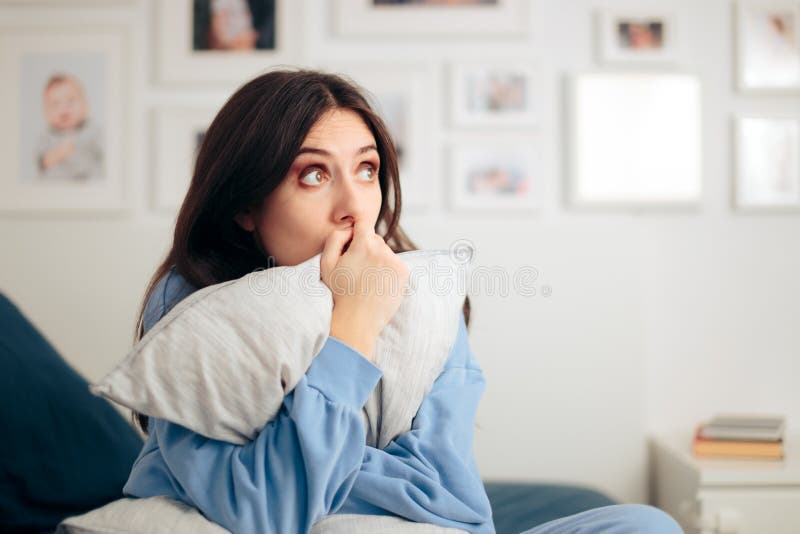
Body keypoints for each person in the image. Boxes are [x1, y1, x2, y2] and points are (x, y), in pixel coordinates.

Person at [123, 69, 683, 534]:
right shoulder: (193, 310)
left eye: (366, 170)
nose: (353, 207)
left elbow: (452, 505)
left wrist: (313, 461)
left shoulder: (423, 298)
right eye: (314, 174)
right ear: (246, 205)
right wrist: (354, 327)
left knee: (645, 525)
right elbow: (271, 511)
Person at [35, 73, 103, 182]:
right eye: (55, 104)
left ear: (85, 106)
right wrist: (56, 154)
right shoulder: (47, 136)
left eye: (70, 101)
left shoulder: (92, 131)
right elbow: (40, 163)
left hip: (88, 185)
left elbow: (103, 157)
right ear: (46, 112)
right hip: (56, 188)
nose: (64, 108)